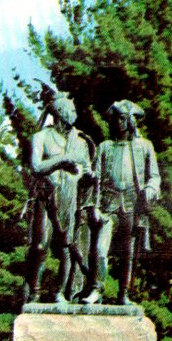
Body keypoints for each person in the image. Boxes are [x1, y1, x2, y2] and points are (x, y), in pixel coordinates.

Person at [82, 99, 160, 306]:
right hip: (109, 205)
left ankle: (123, 294)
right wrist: (94, 206)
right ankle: (97, 288)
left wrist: (150, 190)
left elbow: (155, 177)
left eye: (125, 118)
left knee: (128, 253)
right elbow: (95, 179)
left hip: (133, 205)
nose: (121, 122)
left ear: (132, 121)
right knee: (100, 249)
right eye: (117, 118)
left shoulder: (144, 146)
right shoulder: (105, 147)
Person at [23, 91, 94, 304]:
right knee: (40, 246)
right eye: (71, 110)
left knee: (66, 248)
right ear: (61, 112)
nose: (74, 114)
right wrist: (62, 160)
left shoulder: (80, 141)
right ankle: (33, 293)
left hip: (70, 197)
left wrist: (88, 175)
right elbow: (36, 167)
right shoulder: (42, 137)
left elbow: (85, 168)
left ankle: (59, 293)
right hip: (46, 197)